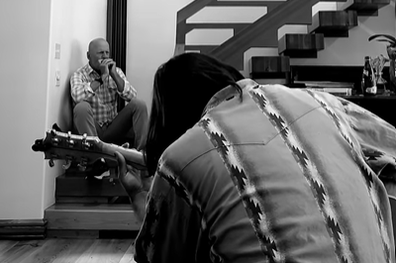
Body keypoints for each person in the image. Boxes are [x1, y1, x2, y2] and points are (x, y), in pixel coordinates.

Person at [116, 52, 396, 263]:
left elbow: (157, 257)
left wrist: (138, 195)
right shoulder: (323, 101)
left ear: (171, 117)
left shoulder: (181, 156)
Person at [70, 38, 148, 151]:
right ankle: (95, 155)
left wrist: (114, 75)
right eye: (101, 53)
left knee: (139, 104)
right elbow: (77, 97)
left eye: (107, 52)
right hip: (93, 129)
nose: (105, 57)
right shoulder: (79, 74)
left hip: (112, 127)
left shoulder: (116, 71)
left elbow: (132, 96)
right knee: (81, 107)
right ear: (89, 56)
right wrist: (101, 78)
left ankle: (140, 156)